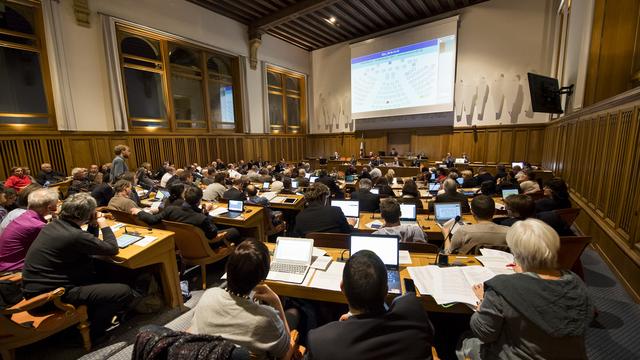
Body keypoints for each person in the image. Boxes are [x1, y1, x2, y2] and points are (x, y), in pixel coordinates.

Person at [458, 219, 593, 360]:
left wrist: (482, 303)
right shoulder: (577, 282)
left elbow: (484, 333)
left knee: (466, 341)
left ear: (516, 254)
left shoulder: (503, 287)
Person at [22, 193, 134, 338]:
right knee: (123, 291)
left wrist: (93, 225)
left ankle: (96, 311)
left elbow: (88, 244)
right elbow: (112, 249)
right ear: (87, 214)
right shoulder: (73, 234)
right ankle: (95, 332)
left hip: (36, 290)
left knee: (102, 268)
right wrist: (103, 224)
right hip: (52, 297)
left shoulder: (54, 226)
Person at [306, 250, 434, 360]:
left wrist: (350, 319)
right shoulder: (415, 311)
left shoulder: (320, 341)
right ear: (386, 290)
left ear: (342, 288)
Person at [190, 240, 294, 359]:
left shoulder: (208, 296)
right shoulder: (267, 319)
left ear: (228, 268)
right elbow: (285, 352)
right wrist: (277, 302)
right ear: (262, 278)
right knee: (294, 313)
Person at [136, 186, 239, 244]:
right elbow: (213, 235)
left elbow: (153, 219)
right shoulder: (201, 218)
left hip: (181, 244)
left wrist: (139, 212)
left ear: (185, 198)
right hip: (203, 246)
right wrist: (207, 215)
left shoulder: (170, 210)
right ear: (199, 201)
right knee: (234, 231)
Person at [0, 188, 59, 272]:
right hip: (14, 270)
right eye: (55, 206)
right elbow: (56, 245)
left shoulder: (25, 216)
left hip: (5, 265)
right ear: (49, 208)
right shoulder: (36, 225)